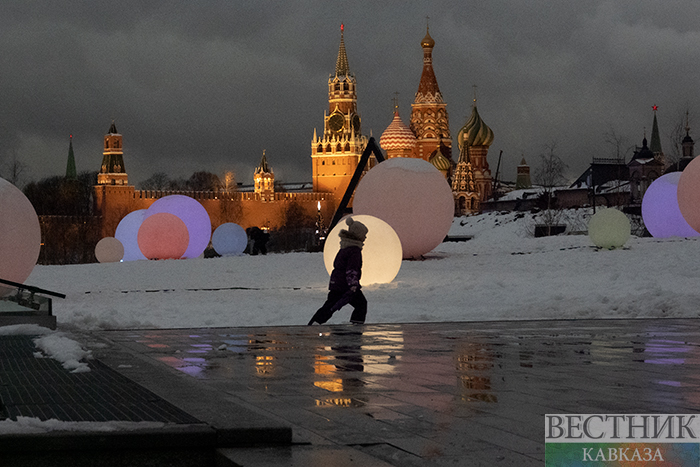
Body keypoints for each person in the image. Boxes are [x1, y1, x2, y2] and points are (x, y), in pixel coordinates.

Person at [308, 217, 368, 325]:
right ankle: (356, 325)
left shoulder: (345, 247)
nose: (365, 237)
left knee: (331, 305)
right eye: (364, 234)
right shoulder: (354, 250)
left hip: (338, 282)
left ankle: (314, 323)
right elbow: (352, 269)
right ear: (358, 235)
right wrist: (353, 284)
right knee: (360, 304)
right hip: (345, 285)